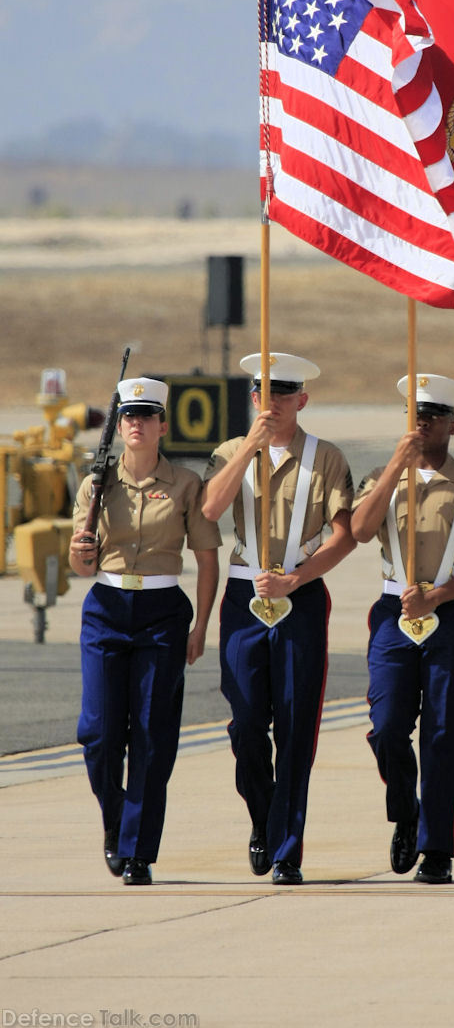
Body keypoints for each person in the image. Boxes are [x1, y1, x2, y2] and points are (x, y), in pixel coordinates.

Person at [202, 352, 355, 885]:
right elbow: (210, 509)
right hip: (245, 595)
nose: (274, 403)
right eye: (265, 394)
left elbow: (344, 535)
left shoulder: (326, 457)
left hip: (301, 594)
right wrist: (250, 445)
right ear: (252, 399)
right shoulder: (228, 452)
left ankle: (287, 848)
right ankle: (264, 819)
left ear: (302, 400)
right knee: (247, 724)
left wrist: (298, 579)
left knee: (295, 727)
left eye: (284, 395)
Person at [351, 374, 454, 884]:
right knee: (389, 726)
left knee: (444, 735)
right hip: (394, 613)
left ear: (453, 425)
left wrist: (440, 596)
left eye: (435, 415)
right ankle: (406, 811)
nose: (424, 422)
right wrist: (399, 461)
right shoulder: (382, 475)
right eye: (416, 414)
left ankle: (437, 847)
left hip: (453, 612)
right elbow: (357, 531)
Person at [70, 377, 221, 886]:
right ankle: (116, 822)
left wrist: (201, 624)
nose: (136, 424)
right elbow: (80, 561)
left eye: (145, 416)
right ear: (119, 426)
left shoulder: (184, 483)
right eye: (127, 417)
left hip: (161, 611)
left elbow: (205, 557)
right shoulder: (96, 484)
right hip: (107, 608)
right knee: (97, 733)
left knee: (153, 735)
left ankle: (137, 850)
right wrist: (81, 552)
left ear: (162, 426)